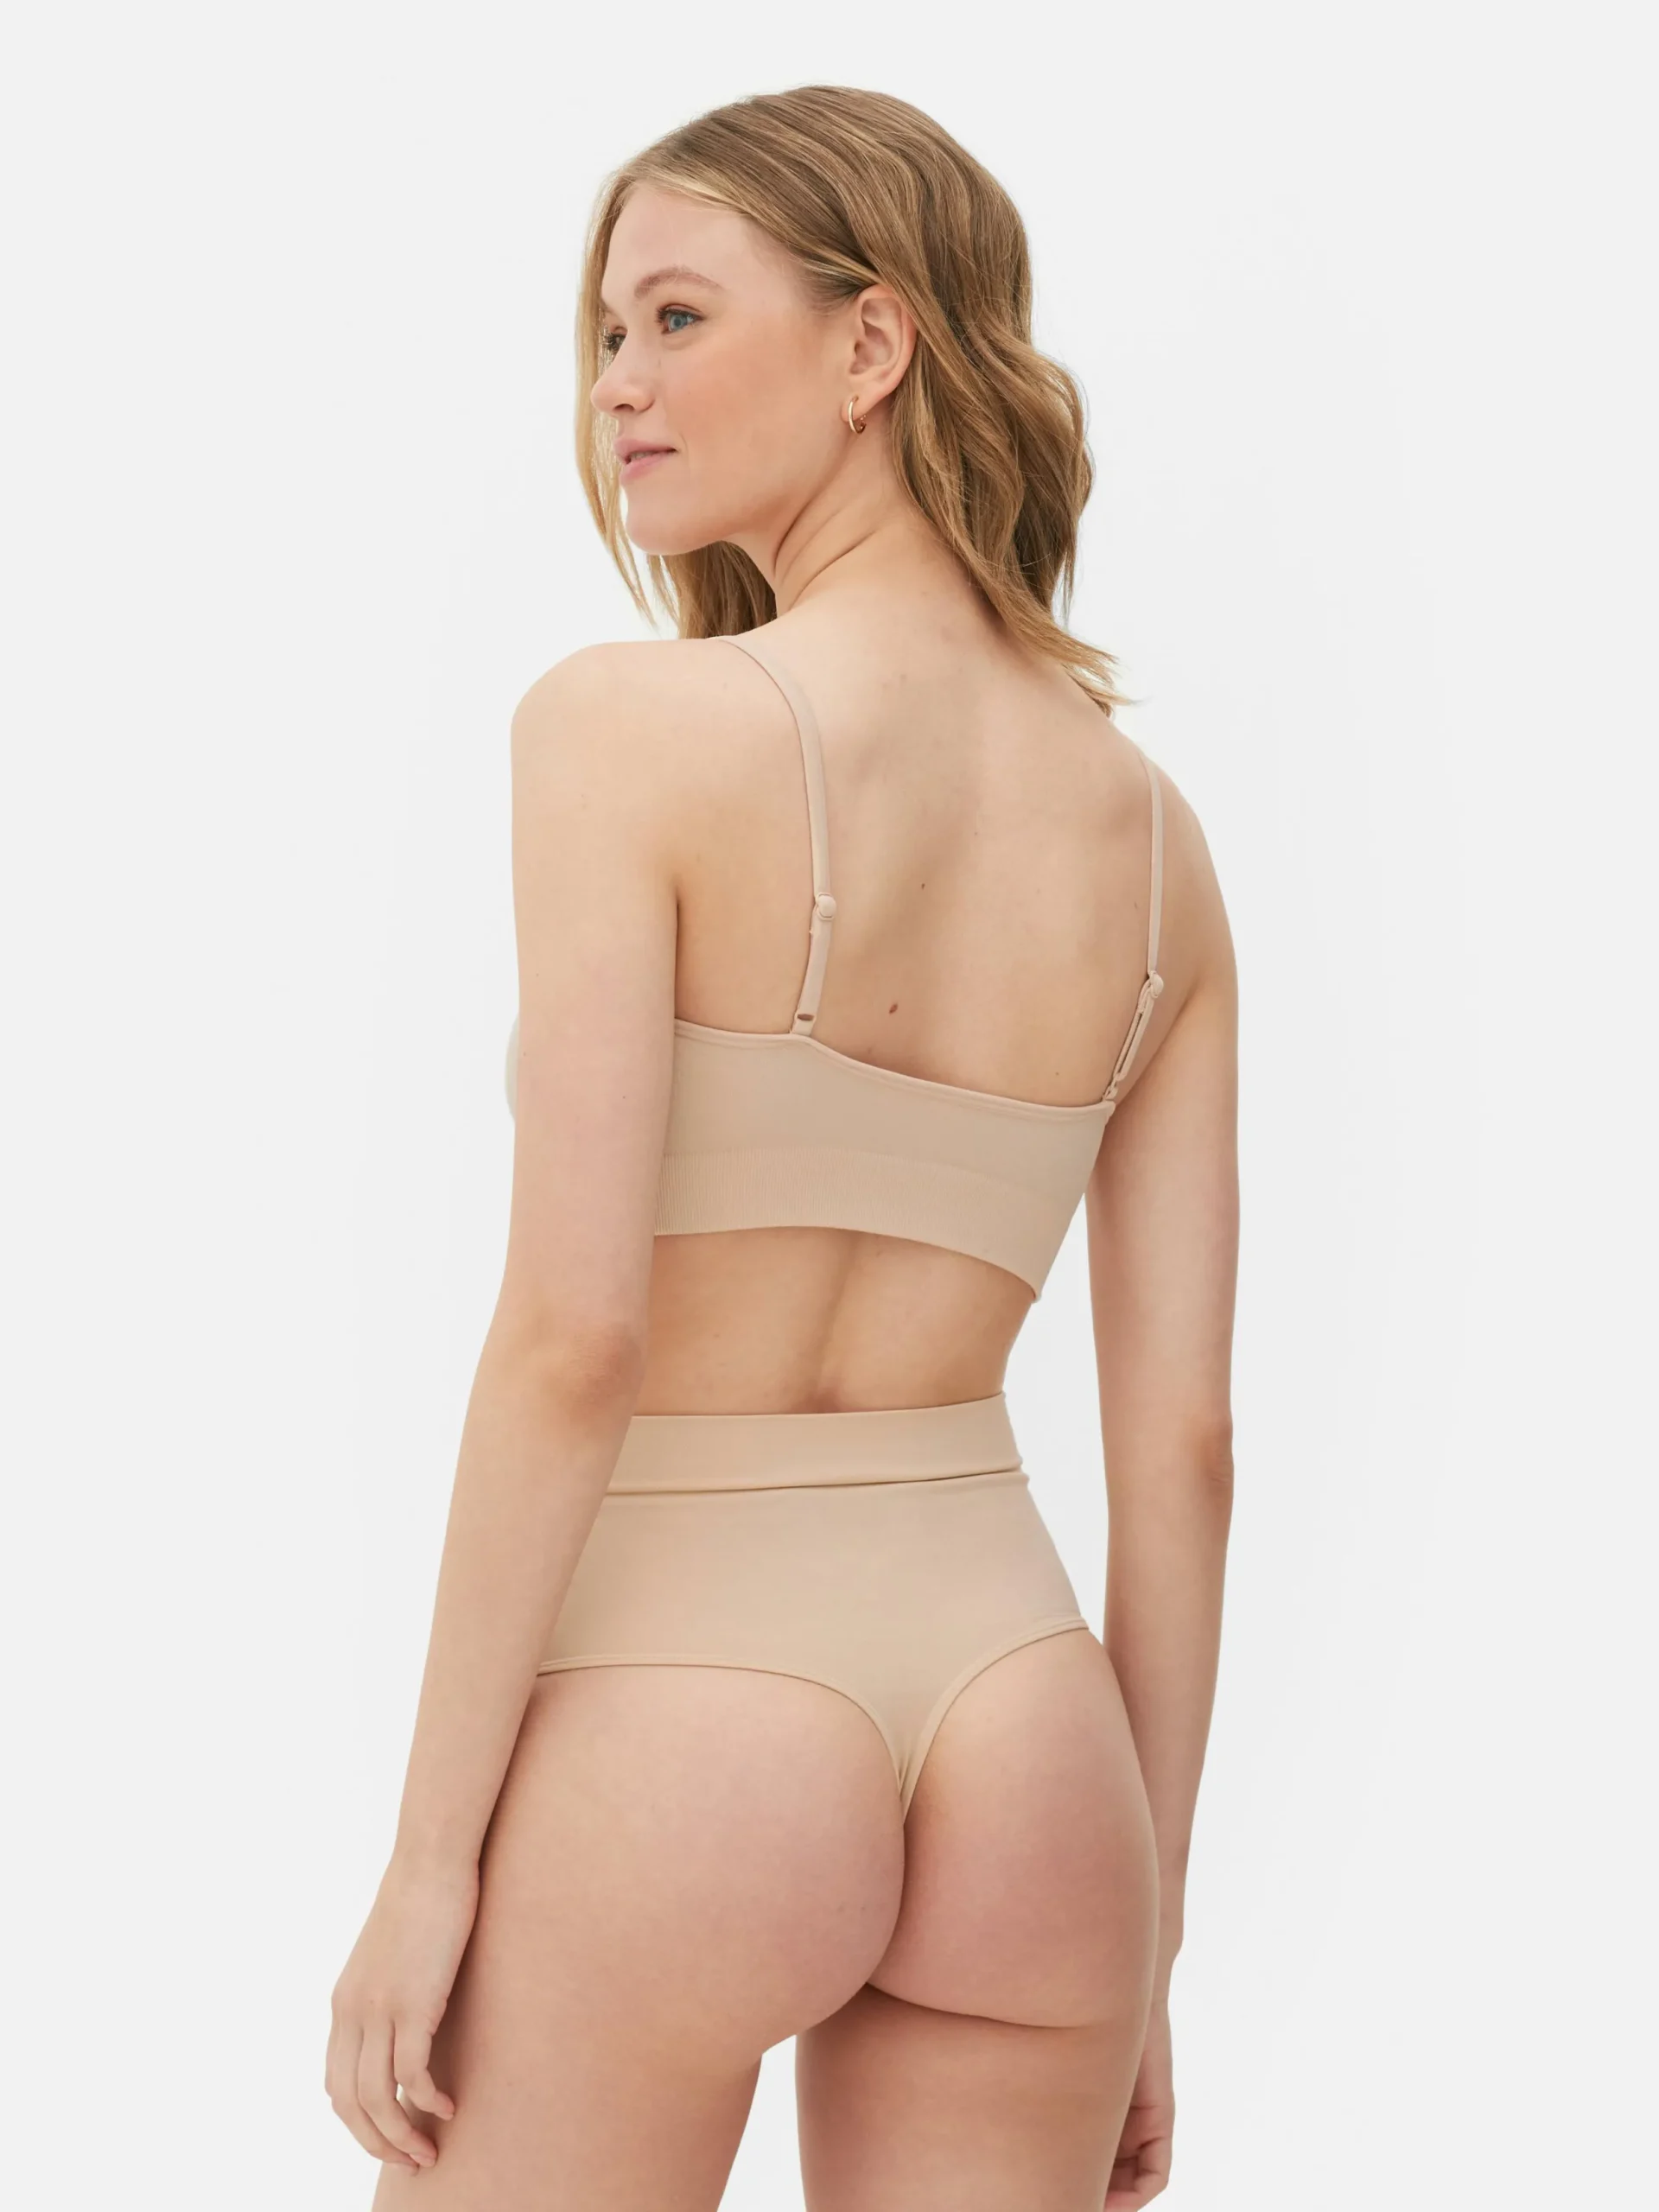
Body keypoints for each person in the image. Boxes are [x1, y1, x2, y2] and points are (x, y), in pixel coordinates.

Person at [325, 83, 1238, 2212]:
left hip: (685, 1720)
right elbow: (1187, 1442)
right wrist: (1146, 1936)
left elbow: (575, 1338)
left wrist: (428, 1860)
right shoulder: (1156, 849)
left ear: (871, 344)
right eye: (603, 334)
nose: (615, 387)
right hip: (1035, 1745)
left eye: (673, 316)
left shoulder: (626, 731)